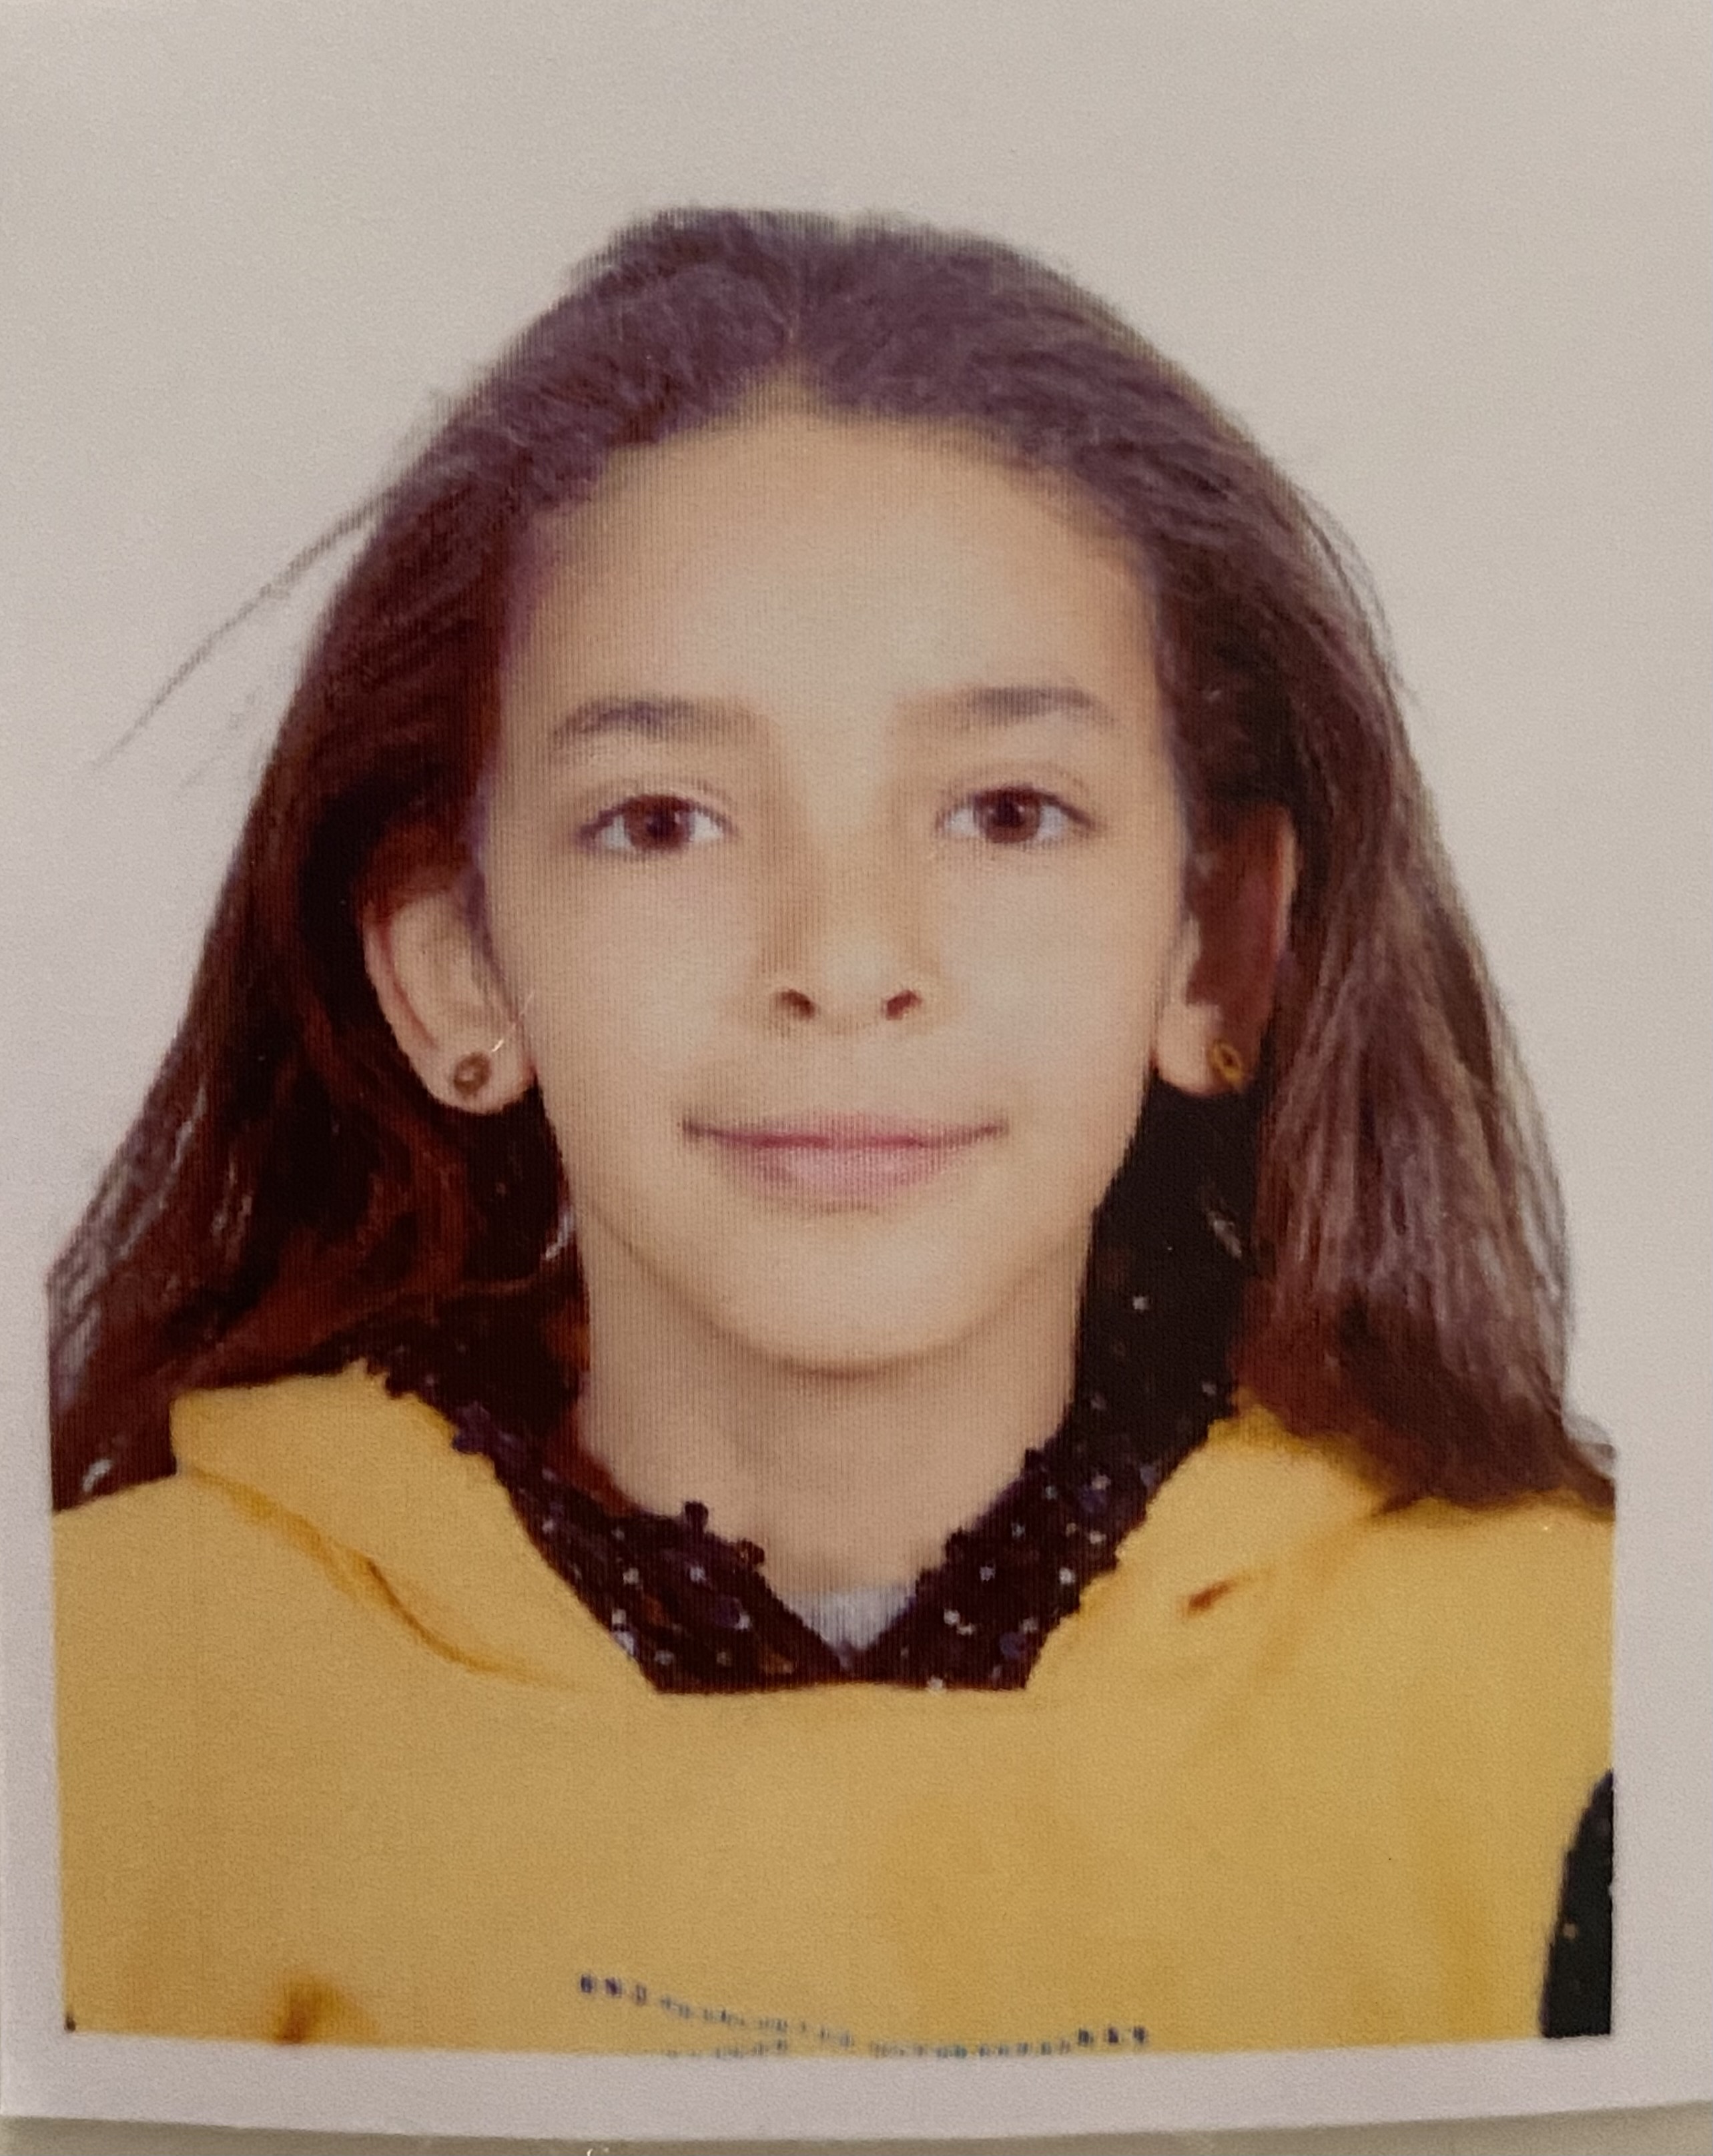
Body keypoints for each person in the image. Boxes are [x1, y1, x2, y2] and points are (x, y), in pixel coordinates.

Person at [47, 207, 1612, 2057]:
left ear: (1219, 948)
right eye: (662, 821)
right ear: (457, 968)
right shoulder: (95, 1703)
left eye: (1008, 811)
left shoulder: (1576, 1694)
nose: (847, 964)